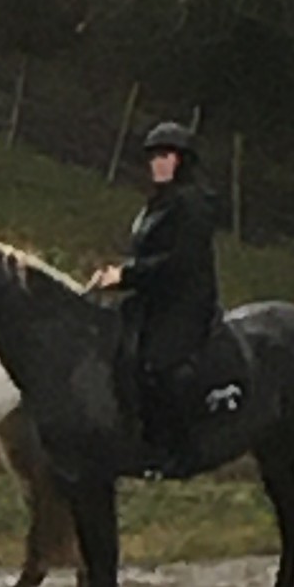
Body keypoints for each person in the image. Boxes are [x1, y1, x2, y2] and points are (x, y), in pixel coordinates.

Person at [85, 119, 222, 475]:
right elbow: (149, 256)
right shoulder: (156, 205)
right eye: (154, 157)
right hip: (152, 300)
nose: (158, 163)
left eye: (167, 156)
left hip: (185, 304)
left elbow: (181, 262)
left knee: (159, 365)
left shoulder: (193, 204)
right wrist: (117, 276)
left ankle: (180, 448)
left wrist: (127, 275)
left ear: (183, 161)